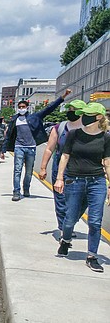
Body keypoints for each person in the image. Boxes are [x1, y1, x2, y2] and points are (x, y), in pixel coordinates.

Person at [54, 102, 109, 273]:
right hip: (74, 180)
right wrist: (59, 179)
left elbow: (107, 162)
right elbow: (64, 156)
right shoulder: (74, 134)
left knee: (95, 221)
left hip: (97, 181)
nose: (84, 117)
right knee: (70, 218)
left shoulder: (106, 138)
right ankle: (65, 240)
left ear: (98, 117)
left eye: (88, 114)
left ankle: (92, 256)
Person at [2, 89, 70, 201]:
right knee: (17, 170)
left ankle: (26, 188)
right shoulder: (15, 119)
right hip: (19, 147)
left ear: (27, 108)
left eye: (23, 107)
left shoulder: (35, 117)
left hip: (31, 148)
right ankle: (16, 192)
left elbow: (49, 108)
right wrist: (3, 150)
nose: (21, 109)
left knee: (29, 171)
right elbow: (9, 134)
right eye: (20, 107)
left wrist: (63, 97)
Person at [39, 99, 86, 232]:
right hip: (60, 165)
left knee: (82, 199)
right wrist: (43, 168)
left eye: (74, 110)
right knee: (61, 198)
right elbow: (49, 148)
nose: (71, 113)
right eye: (69, 110)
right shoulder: (59, 127)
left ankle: (69, 223)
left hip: (81, 168)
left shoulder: (89, 128)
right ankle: (64, 228)